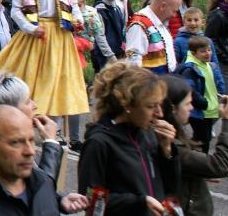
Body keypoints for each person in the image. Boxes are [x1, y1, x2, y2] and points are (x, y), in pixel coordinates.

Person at [77, 62, 180, 215]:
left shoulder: (148, 135)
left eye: (160, 105)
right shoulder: (99, 143)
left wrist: (167, 152)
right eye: (151, 106)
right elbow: (90, 203)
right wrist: (138, 202)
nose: (159, 113)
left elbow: (171, 189)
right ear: (128, 105)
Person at [161, 74, 228, 216]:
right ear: (172, 108)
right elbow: (221, 165)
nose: (191, 107)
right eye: (187, 103)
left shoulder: (172, 138)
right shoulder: (171, 147)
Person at [0, 74, 61, 182]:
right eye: (28, 101)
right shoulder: (4, 148)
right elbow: (41, 191)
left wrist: (61, 199)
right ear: (11, 110)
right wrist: (51, 142)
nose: (35, 106)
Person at [175, 36, 226, 153]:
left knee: (205, 137)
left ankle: (198, 158)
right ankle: (199, 161)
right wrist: (204, 103)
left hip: (209, 109)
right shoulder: (191, 69)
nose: (207, 53)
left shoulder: (207, 64)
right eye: (203, 51)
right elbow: (191, 90)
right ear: (193, 53)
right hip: (200, 111)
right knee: (203, 139)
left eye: (209, 50)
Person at [125, 0, 183, 74]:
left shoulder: (159, 22)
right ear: (163, 6)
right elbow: (133, 59)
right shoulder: (139, 24)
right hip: (150, 84)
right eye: (173, 11)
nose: (174, 15)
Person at [93, 0, 127, 71]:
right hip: (106, 53)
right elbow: (99, 35)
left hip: (118, 50)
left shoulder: (117, 8)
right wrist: (110, 55)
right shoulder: (100, 10)